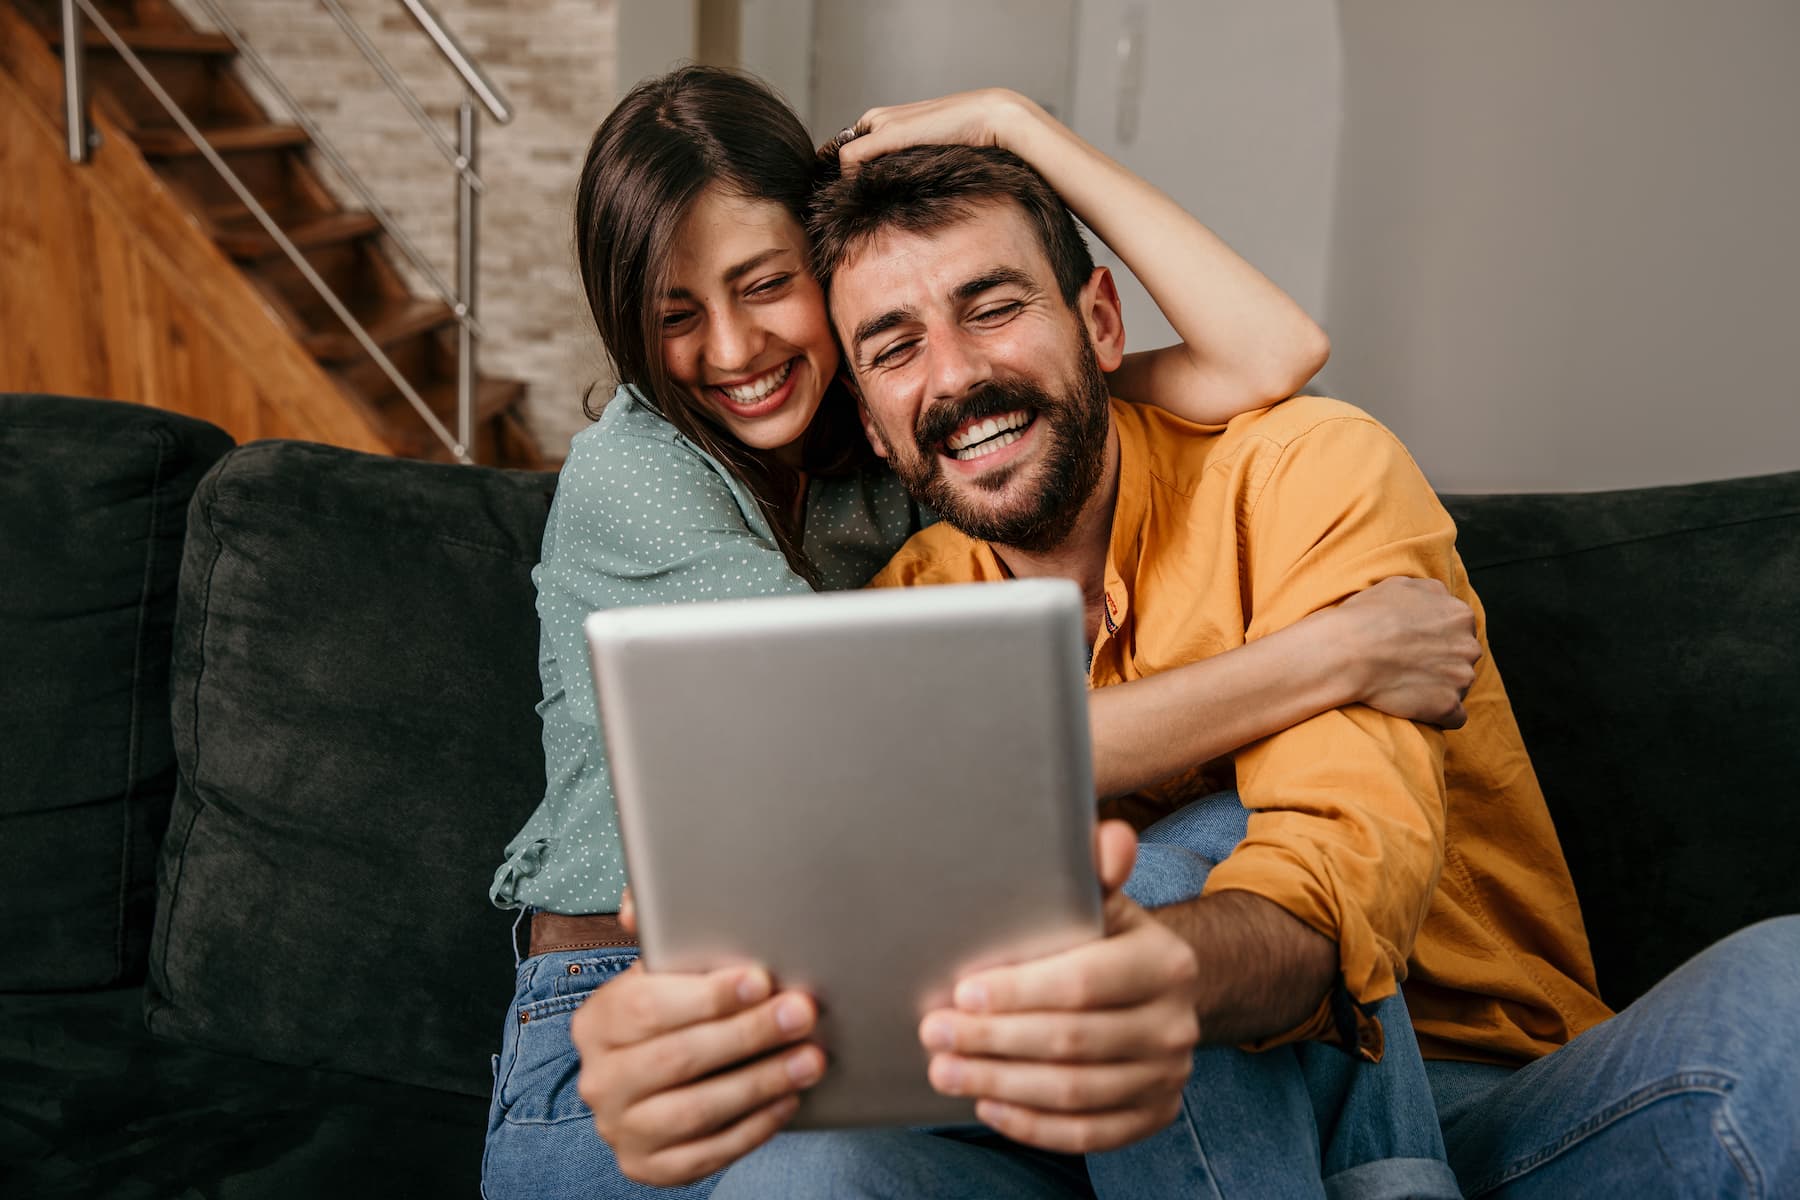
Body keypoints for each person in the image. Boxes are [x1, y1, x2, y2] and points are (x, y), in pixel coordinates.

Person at [710, 138, 1800, 1197]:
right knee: (804, 1166)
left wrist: (1158, 970)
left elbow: (1332, 878)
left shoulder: (1301, 473)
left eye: (994, 307)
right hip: (1084, 1144)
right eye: (894, 348)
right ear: (871, 418)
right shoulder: (909, 607)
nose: (957, 375)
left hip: (1472, 1101)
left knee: (1780, 993)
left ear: (1098, 322)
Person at [484, 68, 1481, 1198]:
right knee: (1194, 837)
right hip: (617, 1006)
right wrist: (1328, 655)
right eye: (674, 315)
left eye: (766, 286)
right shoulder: (639, 468)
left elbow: (1264, 354)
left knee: (1176, 867)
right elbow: (879, 772)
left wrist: (1017, 127)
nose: (731, 349)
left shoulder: (899, 436)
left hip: (829, 975)